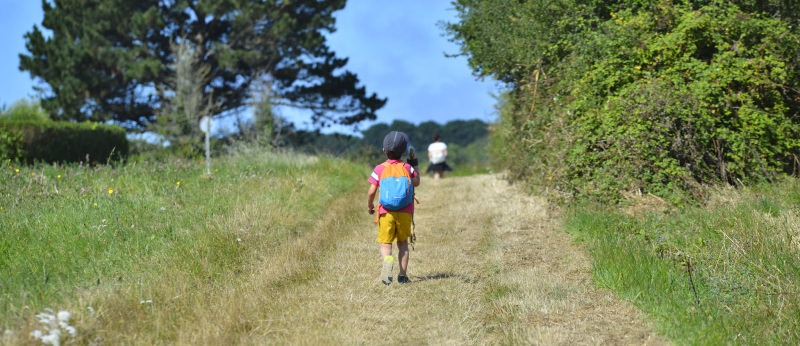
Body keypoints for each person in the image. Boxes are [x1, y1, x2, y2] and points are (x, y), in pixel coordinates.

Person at [367, 131, 420, 285]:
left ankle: (387, 261)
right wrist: (415, 164)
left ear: (384, 150)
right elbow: (416, 182)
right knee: (403, 243)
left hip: (386, 212)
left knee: (386, 243)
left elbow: (371, 191)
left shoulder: (380, 169)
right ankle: (403, 276)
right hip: (405, 212)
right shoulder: (407, 167)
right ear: (404, 151)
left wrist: (370, 205)